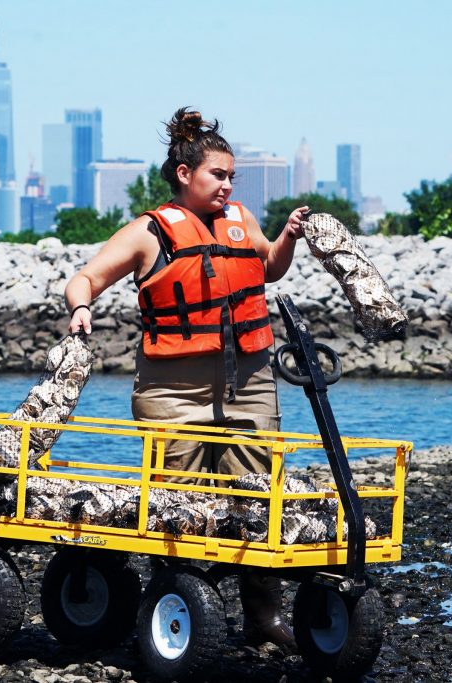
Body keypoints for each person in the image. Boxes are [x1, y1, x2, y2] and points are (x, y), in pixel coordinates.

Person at [64, 107, 307, 649]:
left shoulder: (242, 219)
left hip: (249, 382)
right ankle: (179, 612)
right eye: (217, 175)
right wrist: (80, 309)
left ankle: (264, 618)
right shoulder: (149, 231)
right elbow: (86, 278)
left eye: (231, 177)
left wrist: (288, 236)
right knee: (179, 505)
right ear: (184, 174)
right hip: (173, 392)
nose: (227, 185)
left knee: (258, 498)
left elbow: (268, 267)